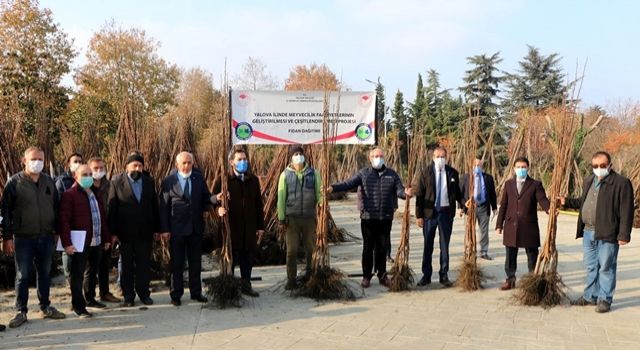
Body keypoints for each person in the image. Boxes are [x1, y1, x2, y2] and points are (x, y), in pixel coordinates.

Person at [1, 147, 66, 328]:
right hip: (23, 237)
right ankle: (21, 311)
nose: (37, 162)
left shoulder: (49, 182)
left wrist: (57, 231)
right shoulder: (14, 182)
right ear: (24, 160)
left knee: (44, 273)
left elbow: (56, 208)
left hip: (45, 236)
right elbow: (5, 212)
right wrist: (6, 237)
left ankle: (45, 306)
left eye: (40, 159)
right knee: (22, 275)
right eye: (33, 159)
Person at [560, 151, 633, 313]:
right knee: (591, 266)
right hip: (588, 232)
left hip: (608, 233)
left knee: (606, 267)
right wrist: (567, 201)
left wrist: (624, 235)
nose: (598, 168)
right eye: (595, 166)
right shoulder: (589, 181)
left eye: (602, 165)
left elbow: (626, 210)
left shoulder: (621, 183)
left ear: (610, 165)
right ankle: (590, 296)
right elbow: (582, 201)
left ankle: (605, 299)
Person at [329, 147, 410, 288]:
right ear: (370, 158)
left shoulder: (391, 174)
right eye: (375, 156)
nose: (378, 158)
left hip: (385, 217)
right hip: (368, 217)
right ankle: (366, 276)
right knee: (368, 248)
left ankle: (382, 275)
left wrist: (405, 193)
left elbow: (399, 190)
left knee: (382, 247)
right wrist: (333, 188)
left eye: (380, 155)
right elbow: (348, 183)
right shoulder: (363, 174)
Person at [159, 152, 216, 306]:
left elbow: (206, 197)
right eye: (184, 163)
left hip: (195, 227)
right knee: (177, 263)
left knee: (195, 262)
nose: (186, 166)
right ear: (177, 165)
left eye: (189, 163)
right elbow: (164, 207)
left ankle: (196, 292)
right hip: (177, 228)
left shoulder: (198, 179)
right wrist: (164, 229)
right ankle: (176, 294)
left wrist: (216, 199)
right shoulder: (169, 182)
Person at [58, 164, 112, 318]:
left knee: (92, 272)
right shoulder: (70, 194)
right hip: (79, 242)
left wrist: (106, 238)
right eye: (84, 174)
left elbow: (101, 217)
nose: (88, 177)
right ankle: (79, 307)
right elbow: (64, 220)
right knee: (77, 275)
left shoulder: (95, 193)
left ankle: (90, 298)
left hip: (96, 240)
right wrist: (67, 243)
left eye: (90, 174)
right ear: (76, 176)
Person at [107, 151, 159, 307]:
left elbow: (154, 206)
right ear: (127, 166)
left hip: (145, 231)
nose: (137, 168)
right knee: (127, 266)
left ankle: (144, 293)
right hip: (125, 233)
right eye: (134, 165)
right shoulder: (116, 181)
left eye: (140, 165)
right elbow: (112, 208)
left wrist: (157, 228)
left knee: (143, 265)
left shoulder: (149, 182)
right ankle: (128, 295)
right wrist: (113, 232)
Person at [495, 156, 550, 290]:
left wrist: (549, 209)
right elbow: (504, 205)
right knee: (510, 254)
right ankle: (510, 279)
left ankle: (533, 280)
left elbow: (542, 199)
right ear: (514, 168)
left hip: (528, 225)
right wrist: (499, 224)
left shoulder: (535, 184)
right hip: (511, 224)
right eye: (518, 167)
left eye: (523, 167)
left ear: (528, 168)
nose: (521, 169)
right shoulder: (509, 184)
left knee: (532, 254)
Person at [215, 148, 264, 297]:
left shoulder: (253, 180)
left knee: (247, 258)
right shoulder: (224, 180)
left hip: (248, 227)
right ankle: (229, 287)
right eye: (239, 159)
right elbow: (212, 199)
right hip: (231, 227)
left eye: (244, 159)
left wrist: (260, 226)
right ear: (231, 162)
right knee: (231, 257)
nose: (243, 162)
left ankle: (246, 286)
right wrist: (218, 209)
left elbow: (258, 204)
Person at [413, 146, 463, 287]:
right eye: (437, 156)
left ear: (446, 158)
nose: (440, 159)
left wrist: (465, 204)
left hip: (446, 213)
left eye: (443, 156)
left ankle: (444, 275)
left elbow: (457, 193)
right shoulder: (425, 173)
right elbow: (420, 196)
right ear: (433, 158)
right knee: (428, 245)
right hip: (430, 214)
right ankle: (426, 275)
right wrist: (419, 215)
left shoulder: (452, 173)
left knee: (444, 246)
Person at [276, 145, 322, 290]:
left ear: (304, 156)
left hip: (309, 218)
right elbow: (281, 198)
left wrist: (323, 206)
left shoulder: (314, 173)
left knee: (311, 249)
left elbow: (319, 194)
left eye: (300, 153)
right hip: (292, 219)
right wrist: (282, 218)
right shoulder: (285, 175)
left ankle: (310, 276)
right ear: (291, 157)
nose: (298, 156)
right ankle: (291, 280)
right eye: (295, 154)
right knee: (292, 251)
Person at [87, 157, 121, 303]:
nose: (99, 171)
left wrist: (113, 233)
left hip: (106, 230)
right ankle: (88, 296)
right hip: (91, 231)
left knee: (104, 264)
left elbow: (115, 210)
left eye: (101, 168)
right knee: (90, 267)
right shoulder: (85, 186)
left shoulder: (110, 185)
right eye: (95, 168)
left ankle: (105, 292)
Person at [460, 157, 498, 260]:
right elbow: (460, 193)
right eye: (475, 165)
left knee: (484, 231)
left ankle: (484, 252)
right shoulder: (466, 177)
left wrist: (494, 207)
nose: (477, 167)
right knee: (469, 229)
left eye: (479, 165)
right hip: (471, 208)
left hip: (484, 207)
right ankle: (469, 250)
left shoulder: (488, 178)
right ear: (471, 166)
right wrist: (462, 207)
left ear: (482, 166)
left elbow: (492, 193)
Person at [56, 152, 84, 285]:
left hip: (80, 222)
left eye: (80, 161)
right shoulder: (62, 181)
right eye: (75, 161)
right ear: (69, 164)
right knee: (67, 251)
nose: (78, 163)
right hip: (67, 220)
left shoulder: (84, 178)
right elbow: (58, 201)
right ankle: (68, 277)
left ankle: (77, 278)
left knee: (78, 253)